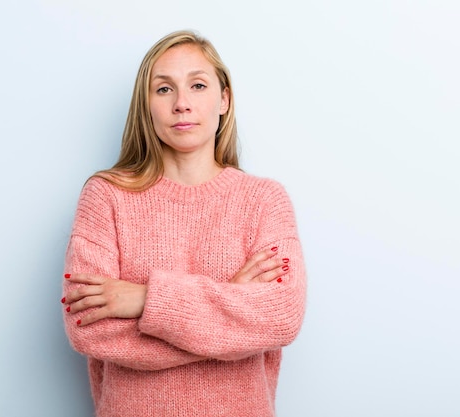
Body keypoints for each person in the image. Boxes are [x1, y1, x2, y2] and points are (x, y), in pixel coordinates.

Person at [61, 30, 306, 417]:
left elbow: (281, 318)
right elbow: (89, 328)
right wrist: (229, 306)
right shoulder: (105, 196)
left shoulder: (263, 201)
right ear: (146, 104)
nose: (181, 104)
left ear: (224, 99)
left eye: (197, 85)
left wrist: (145, 300)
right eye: (163, 89)